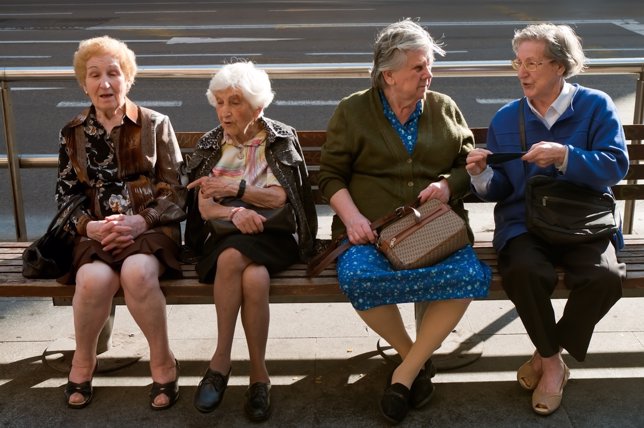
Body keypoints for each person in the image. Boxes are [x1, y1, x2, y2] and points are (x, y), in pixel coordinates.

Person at [318, 19, 491, 424]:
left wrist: (450, 186)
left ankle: (406, 373)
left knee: (468, 275)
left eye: (429, 66)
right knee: (359, 278)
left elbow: (466, 166)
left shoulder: (444, 107)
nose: (428, 75)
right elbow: (330, 176)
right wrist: (353, 218)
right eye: (419, 68)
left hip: (437, 231)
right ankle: (414, 354)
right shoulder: (353, 110)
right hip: (373, 234)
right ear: (388, 75)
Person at [466, 23, 628, 415]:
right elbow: (502, 188)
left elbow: (615, 166)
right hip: (524, 221)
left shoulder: (595, 105)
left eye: (533, 63)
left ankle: (543, 352)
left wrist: (565, 156)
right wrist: (481, 176)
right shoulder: (507, 118)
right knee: (523, 270)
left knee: (605, 278)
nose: (522, 72)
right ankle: (554, 364)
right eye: (518, 63)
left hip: (583, 219)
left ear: (560, 65)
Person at [56, 36, 187, 410]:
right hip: (97, 231)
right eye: (94, 75)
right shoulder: (72, 132)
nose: (105, 83)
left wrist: (139, 222)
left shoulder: (156, 123)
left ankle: (162, 362)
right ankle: (84, 362)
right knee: (92, 279)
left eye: (114, 73)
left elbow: (175, 191)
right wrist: (90, 228)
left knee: (137, 273)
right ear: (84, 83)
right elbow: (65, 197)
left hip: (149, 229)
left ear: (128, 78)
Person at [184, 61, 317, 422]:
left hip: (274, 237)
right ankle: (259, 376)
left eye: (236, 102)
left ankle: (220, 362)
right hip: (225, 235)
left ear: (258, 108)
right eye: (220, 102)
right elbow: (205, 206)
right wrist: (235, 213)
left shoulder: (280, 139)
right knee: (252, 275)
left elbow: (279, 200)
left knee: (233, 260)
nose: (225, 111)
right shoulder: (212, 144)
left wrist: (235, 188)